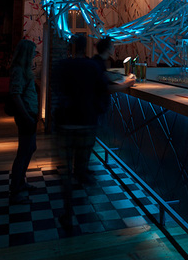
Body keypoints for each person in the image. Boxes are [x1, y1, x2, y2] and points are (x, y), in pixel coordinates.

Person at [53, 35, 120, 230]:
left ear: (71, 47)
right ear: (85, 48)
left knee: (66, 172)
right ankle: (85, 199)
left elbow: (56, 90)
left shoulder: (62, 65)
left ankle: (68, 212)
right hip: (86, 121)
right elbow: (103, 89)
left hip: (65, 122)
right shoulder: (92, 66)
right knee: (81, 166)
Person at [8, 39, 38, 204]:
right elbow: (16, 95)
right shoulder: (19, 71)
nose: (34, 55)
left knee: (30, 148)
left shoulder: (23, 70)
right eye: (32, 52)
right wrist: (26, 116)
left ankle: (20, 182)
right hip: (26, 115)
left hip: (29, 114)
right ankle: (15, 190)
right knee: (24, 151)